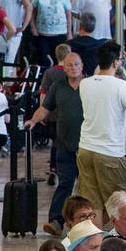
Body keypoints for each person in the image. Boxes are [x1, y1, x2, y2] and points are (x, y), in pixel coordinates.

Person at [76, 43, 126, 217]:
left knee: (92, 205)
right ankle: (118, 243)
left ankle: (97, 243)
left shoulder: (85, 84)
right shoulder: (122, 86)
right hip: (110, 152)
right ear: (116, 62)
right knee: (120, 204)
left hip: (85, 148)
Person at [28, 51, 85, 235]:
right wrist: (33, 121)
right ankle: (55, 221)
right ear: (64, 67)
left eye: (76, 64)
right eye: (69, 65)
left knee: (87, 187)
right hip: (64, 144)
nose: (73, 68)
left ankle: (86, 223)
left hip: (87, 146)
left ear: (82, 66)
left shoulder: (90, 85)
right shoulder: (58, 86)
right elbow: (45, 108)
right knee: (65, 183)